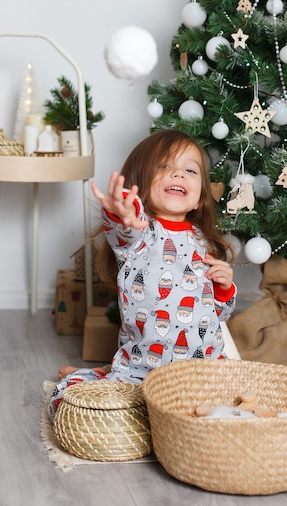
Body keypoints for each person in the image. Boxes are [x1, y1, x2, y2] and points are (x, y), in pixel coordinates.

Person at [49, 129, 237, 419]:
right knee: (85, 406)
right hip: (142, 370)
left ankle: (103, 370)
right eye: (164, 167)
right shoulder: (140, 236)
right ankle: (94, 376)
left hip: (203, 371)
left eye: (190, 170)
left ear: (200, 199)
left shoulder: (205, 242)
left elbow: (217, 314)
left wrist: (224, 289)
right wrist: (121, 213)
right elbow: (123, 229)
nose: (178, 175)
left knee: (231, 409)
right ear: (142, 186)